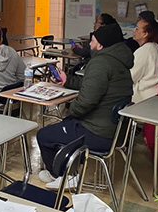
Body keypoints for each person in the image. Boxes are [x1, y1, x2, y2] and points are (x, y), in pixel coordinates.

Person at [37, 23, 133, 189]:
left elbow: (86, 102)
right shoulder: (119, 61)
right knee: (65, 126)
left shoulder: (101, 63)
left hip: (98, 132)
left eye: (92, 40)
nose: (89, 44)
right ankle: (69, 168)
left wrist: (70, 111)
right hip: (116, 130)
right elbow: (92, 85)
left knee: (44, 135)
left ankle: (61, 174)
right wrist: (68, 81)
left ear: (101, 45)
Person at [131, 14, 158, 103]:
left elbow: (132, 77)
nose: (134, 30)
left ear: (145, 34)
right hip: (156, 93)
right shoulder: (156, 47)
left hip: (143, 97)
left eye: (137, 28)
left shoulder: (144, 51)